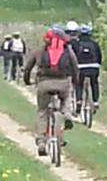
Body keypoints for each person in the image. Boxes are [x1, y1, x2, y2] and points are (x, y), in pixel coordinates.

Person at [23, 25, 79, 156]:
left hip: (44, 83)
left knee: (42, 111)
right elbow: (75, 67)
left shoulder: (40, 51)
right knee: (66, 98)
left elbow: (27, 68)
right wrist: (75, 81)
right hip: (63, 82)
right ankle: (67, 114)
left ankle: (41, 142)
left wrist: (27, 81)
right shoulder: (67, 50)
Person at [73, 24, 102, 114]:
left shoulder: (77, 44)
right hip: (94, 67)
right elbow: (100, 56)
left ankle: (79, 101)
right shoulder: (94, 44)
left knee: (79, 84)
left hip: (80, 67)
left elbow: (73, 56)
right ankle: (95, 101)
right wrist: (98, 65)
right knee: (94, 83)